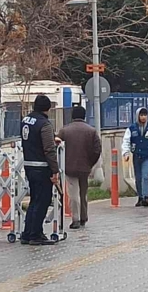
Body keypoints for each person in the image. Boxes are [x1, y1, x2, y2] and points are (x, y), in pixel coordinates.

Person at [20, 95, 59, 245]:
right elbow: (49, 148)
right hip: (41, 166)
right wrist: (55, 169)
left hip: (29, 164)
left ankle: (27, 233)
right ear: (48, 108)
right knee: (43, 200)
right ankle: (36, 234)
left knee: (34, 200)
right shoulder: (45, 124)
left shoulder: (26, 120)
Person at [56, 106, 101, 230]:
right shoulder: (91, 131)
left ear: (72, 116)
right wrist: (90, 163)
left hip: (69, 167)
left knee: (73, 194)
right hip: (85, 167)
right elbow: (97, 150)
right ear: (84, 116)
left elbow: (57, 145)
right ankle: (83, 216)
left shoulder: (64, 131)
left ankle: (75, 219)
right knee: (83, 192)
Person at [122, 108, 148, 207]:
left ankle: (146, 197)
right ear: (137, 116)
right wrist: (126, 153)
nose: (143, 117)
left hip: (147, 156)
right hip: (136, 156)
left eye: (145, 115)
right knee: (138, 178)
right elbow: (126, 141)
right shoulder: (131, 128)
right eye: (141, 115)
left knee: (145, 176)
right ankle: (140, 197)